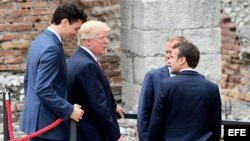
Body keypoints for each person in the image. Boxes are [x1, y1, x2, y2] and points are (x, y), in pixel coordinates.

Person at [20, 3, 87, 141]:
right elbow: (43, 88)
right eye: (76, 29)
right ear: (64, 22)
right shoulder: (52, 48)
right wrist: (69, 110)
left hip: (37, 122)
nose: (76, 34)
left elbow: (28, 81)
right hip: (48, 126)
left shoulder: (40, 40)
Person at [146, 42, 222, 141]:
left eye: (172, 57)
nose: (169, 61)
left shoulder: (166, 85)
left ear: (182, 60)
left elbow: (156, 122)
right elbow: (216, 126)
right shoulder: (212, 88)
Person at [67, 20, 125, 141]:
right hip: (89, 133)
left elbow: (91, 96)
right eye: (102, 38)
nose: (106, 41)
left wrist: (112, 106)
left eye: (107, 37)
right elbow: (98, 107)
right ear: (87, 41)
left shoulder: (78, 58)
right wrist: (116, 136)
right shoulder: (87, 66)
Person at [137, 36, 187, 141]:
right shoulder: (153, 76)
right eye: (166, 52)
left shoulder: (193, 78)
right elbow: (144, 112)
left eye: (171, 52)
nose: (168, 56)